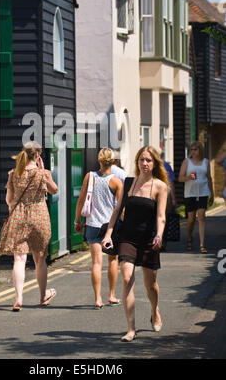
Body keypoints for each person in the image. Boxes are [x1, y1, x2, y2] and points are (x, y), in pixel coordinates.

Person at [102, 146, 167, 342]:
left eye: (148, 160)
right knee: (127, 277)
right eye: (141, 160)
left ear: (154, 163)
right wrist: (108, 235)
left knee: (151, 284)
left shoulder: (160, 186)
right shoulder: (128, 182)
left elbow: (161, 216)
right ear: (137, 162)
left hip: (149, 240)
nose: (145, 163)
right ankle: (131, 329)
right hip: (127, 238)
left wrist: (159, 235)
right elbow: (116, 211)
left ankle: (155, 311)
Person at [0, 142, 58, 310]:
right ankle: (43, 295)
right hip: (39, 218)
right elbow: (54, 190)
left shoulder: (13, 174)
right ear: (38, 155)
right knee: (40, 259)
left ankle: (18, 299)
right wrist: (43, 170)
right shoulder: (43, 174)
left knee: (19, 258)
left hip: (19, 218)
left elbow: (9, 200)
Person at [74, 148, 123, 309]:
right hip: (110, 225)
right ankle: (112, 295)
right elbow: (121, 207)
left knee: (96, 262)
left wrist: (77, 221)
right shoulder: (117, 181)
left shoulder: (90, 176)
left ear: (99, 161)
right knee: (112, 260)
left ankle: (97, 299)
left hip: (93, 223)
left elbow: (81, 200)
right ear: (113, 162)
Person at [178, 141, 214, 254]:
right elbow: (180, 178)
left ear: (200, 151)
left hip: (203, 192)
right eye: (191, 149)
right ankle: (189, 237)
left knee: (202, 216)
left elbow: (209, 178)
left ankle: (202, 245)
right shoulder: (186, 162)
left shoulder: (206, 162)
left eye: (195, 149)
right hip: (190, 193)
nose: (192, 151)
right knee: (191, 219)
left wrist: (212, 194)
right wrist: (188, 177)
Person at [160, 151, 177, 251]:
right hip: (167, 195)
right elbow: (171, 183)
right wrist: (174, 198)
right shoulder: (167, 166)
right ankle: (163, 242)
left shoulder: (152, 166)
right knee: (164, 218)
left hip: (155, 195)